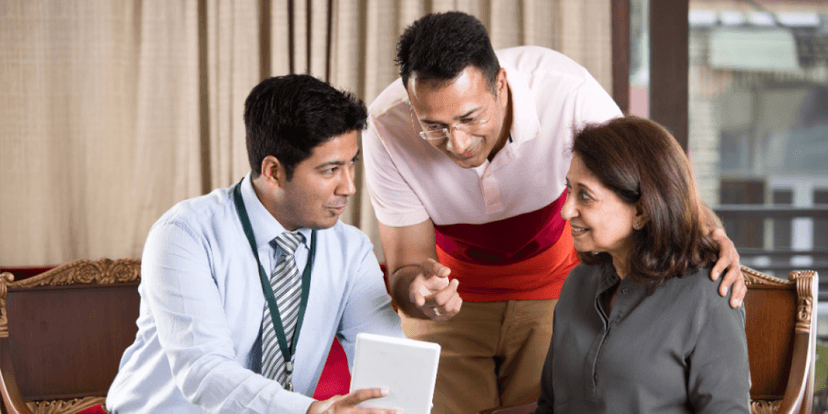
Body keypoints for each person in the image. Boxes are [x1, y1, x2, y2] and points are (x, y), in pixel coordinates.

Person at [362, 11, 747, 414]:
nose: (457, 143)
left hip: (551, 287)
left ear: (500, 84)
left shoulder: (566, 90)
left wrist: (710, 239)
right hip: (454, 299)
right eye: (434, 127)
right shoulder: (387, 126)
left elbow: (644, 175)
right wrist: (417, 291)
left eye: (470, 118)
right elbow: (407, 266)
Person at [107, 74, 405, 414]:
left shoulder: (350, 250)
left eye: (352, 164)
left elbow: (387, 356)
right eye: (330, 170)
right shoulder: (184, 235)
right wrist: (311, 411)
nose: (349, 187)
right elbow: (205, 372)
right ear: (274, 172)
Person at [535, 116, 751, 413]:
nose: (566, 210)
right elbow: (548, 406)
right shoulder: (578, 283)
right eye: (569, 190)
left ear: (642, 210)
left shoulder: (707, 296)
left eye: (585, 195)